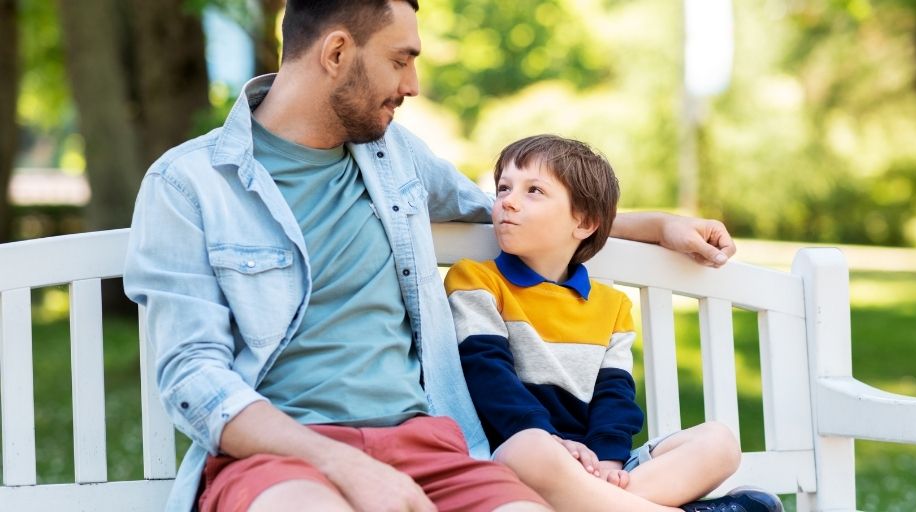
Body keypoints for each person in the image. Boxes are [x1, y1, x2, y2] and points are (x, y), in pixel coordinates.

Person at [123, 1, 737, 511]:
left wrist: (656, 226)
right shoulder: (189, 184)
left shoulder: (395, 157)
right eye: (401, 60)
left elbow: (498, 212)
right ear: (336, 54)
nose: (412, 86)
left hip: (430, 447)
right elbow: (194, 380)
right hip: (280, 459)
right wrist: (340, 463)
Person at [444, 135, 782, 512]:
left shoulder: (612, 306)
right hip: (519, 457)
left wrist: (607, 460)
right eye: (503, 187)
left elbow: (614, 395)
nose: (507, 200)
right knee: (530, 449)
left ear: (585, 222)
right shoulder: (476, 279)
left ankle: (594, 502)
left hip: (598, 471)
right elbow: (487, 374)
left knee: (720, 442)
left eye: (534, 190)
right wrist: (552, 440)